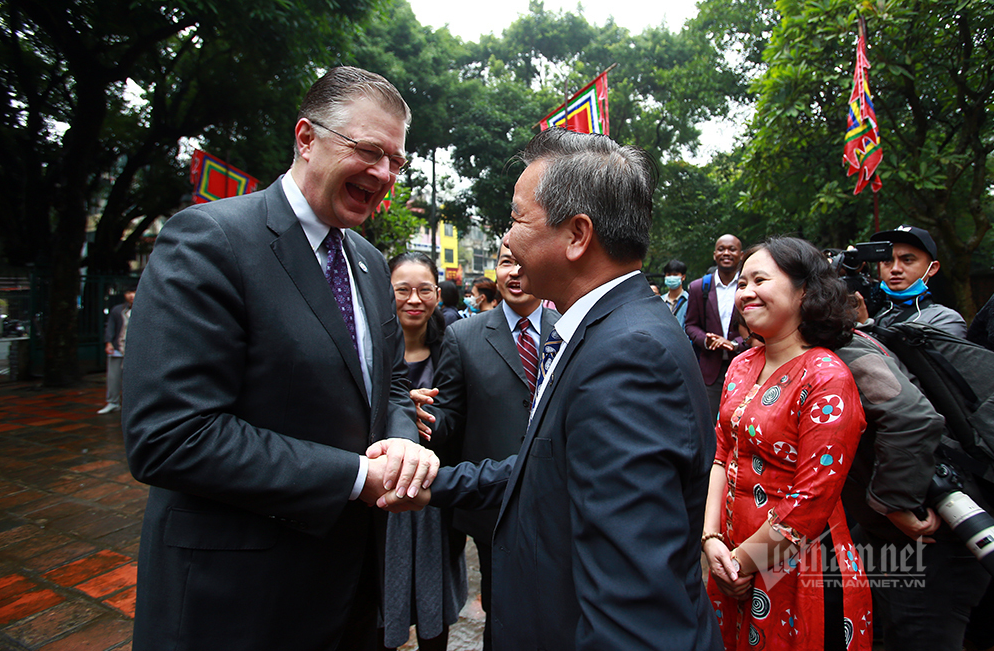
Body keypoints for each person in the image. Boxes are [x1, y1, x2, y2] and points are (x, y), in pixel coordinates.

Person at [122, 66, 438, 651]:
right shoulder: (210, 240)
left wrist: (400, 442)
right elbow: (169, 435)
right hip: (238, 597)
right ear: (306, 137)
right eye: (370, 152)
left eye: (396, 161)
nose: (385, 175)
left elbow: (390, 382)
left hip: (348, 588)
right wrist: (356, 476)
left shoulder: (370, 264)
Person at [393, 128, 722, 651]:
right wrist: (431, 484)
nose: (508, 239)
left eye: (519, 219)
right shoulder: (603, 330)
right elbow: (547, 467)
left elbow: (632, 617)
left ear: (576, 235)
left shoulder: (627, 354)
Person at [703, 236, 872, 651]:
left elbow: (810, 502)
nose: (745, 292)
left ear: (804, 291)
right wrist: (710, 541)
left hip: (799, 569)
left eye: (760, 279)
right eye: (741, 283)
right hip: (730, 563)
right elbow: (721, 455)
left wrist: (742, 563)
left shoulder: (827, 378)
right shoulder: (743, 363)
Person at [412, 242, 560, 650]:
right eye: (505, 262)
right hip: (492, 501)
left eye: (523, 261)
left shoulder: (568, 328)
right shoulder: (464, 335)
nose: (514, 272)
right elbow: (449, 416)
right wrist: (421, 418)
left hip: (559, 495)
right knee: (503, 605)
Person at [836, 328, 991, 651]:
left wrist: (893, 502)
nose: (748, 295)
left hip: (932, 534)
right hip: (893, 535)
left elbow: (912, 418)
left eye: (760, 281)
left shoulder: (847, 350)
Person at [380, 252, 466, 651]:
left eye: (424, 290)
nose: (414, 299)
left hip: (432, 494)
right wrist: (395, 409)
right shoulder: (367, 349)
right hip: (377, 495)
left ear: (437, 293)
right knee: (380, 597)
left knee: (435, 600)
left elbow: (456, 416)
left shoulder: (455, 346)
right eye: (402, 290)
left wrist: (420, 417)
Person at [686, 234, 748, 421]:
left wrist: (734, 343)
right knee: (707, 422)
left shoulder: (749, 288)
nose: (726, 253)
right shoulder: (699, 287)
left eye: (732, 249)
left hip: (744, 364)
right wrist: (706, 340)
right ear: (714, 255)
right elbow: (690, 324)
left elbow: (757, 327)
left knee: (741, 420)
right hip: (709, 370)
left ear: (741, 255)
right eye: (721, 249)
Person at [868, 224, 966, 337]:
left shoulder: (944, 319)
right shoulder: (874, 313)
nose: (895, 269)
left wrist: (866, 327)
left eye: (907, 260)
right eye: (887, 261)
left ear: (932, 268)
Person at [98, 285, 135, 414]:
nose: (131, 295)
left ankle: (132, 405)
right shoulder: (117, 310)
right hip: (118, 346)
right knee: (113, 377)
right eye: (129, 292)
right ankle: (112, 402)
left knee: (133, 379)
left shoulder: (146, 309)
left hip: (135, 350)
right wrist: (108, 342)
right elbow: (110, 327)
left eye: (134, 292)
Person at [662, 259, 690, 327]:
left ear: (683, 277)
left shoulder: (690, 301)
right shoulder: (660, 301)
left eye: (675, 275)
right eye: (668, 275)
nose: (671, 278)